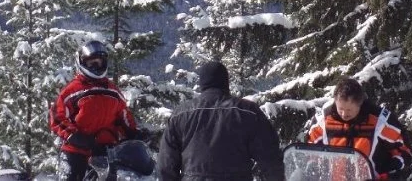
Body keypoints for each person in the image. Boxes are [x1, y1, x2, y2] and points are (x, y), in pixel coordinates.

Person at [158, 60, 284, 180]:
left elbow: (166, 164)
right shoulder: (248, 112)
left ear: (202, 83)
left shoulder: (180, 114)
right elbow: (270, 157)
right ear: (225, 82)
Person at [49, 40, 139, 181]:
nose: (97, 66)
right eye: (92, 63)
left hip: (106, 151)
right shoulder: (72, 90)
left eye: (99, 62)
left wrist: (133, 133)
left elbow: (124, 115)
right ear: (81, 63)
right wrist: (74, 136)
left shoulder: (112, 90)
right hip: (77, 151)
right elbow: (57, 117)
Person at [307, 77, 412, 180]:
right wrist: (312, 166)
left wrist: (388, 171)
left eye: (349, 110)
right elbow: (309, 148)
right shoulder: (323, 121)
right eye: (341, 109)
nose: (344, 114)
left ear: (359, 104)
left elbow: (404, 150)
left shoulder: (380, 121)